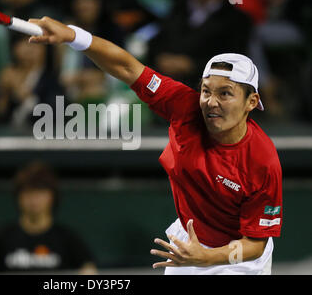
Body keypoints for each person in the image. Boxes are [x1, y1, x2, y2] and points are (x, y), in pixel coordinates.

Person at [25, 16, 282, 275]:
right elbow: (127, 68)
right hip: (190, 241)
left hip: (236, 258)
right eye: (206, 91)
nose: (211, 102)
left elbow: (254, 244)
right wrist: (72, 35)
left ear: (252, 101)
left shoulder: (263, 161)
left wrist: (206, 257)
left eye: (225, 93)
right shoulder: (184, 106)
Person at [0, 161, 97, 274]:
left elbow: (89, 272)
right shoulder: (0, 237)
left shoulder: (69, 239)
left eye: (40, 192)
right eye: (28, 192)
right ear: (18, 197)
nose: (34, 199)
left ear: (52, 196)